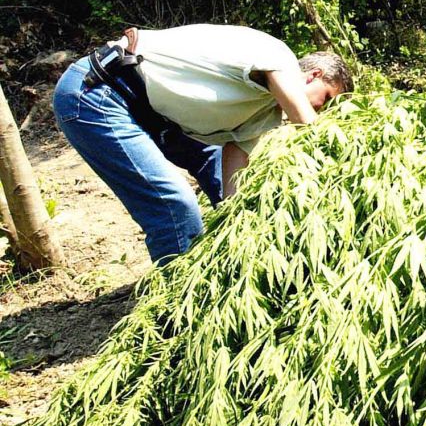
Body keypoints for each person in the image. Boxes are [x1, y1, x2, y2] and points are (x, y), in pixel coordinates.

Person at [53, 24, 352, 265]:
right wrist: (332, 153)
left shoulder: (266, 111)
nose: (320, 110)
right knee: (174, 205)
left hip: (159, 117)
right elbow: (305, 121)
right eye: (325, 99)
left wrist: (234, 214)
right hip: (102, 92)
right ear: (313, 75)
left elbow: (235, 163)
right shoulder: (278, 57)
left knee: (242, 200)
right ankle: (177, 307)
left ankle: (232, 267)